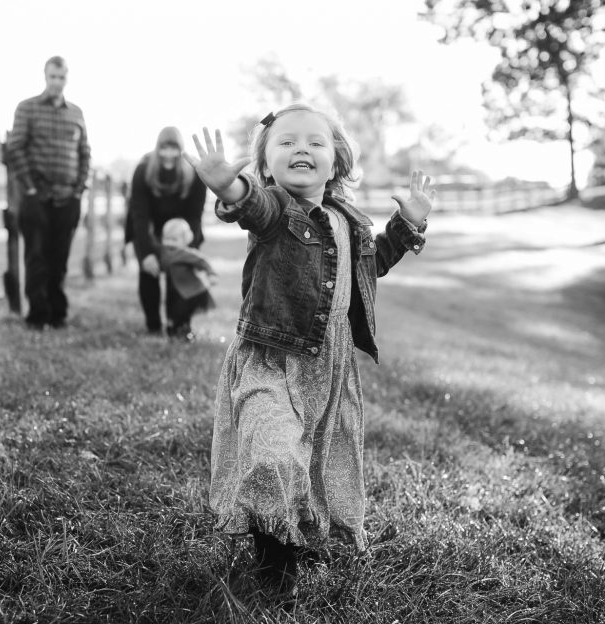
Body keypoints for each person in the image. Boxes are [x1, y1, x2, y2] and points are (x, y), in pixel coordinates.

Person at [183, 104, 435, 596]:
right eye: (286, 142)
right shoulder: (277, 211)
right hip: (273, 355)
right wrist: (225, 187)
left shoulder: (350, 221)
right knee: (273, 452)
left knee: (318, 458)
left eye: (315, 142)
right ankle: (274, 568)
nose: (301, 149)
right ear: (267, 163)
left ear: (338, 160)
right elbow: (249, 204)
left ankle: (299, 537)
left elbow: (372, 263)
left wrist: (408, 223)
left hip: (330, 363)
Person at [7, 55, 91, 329]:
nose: (57, 82)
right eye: (53, 77)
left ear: (67, 78)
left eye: (61, 77)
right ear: (45, 77)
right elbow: (16, 148)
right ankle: (37, 315)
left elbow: (84, 153)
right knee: (36, 257)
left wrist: (79, 190)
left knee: (60, 259)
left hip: (68, 197)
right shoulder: (27, 108)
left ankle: (58, 314)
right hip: (36, 197)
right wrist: (29, 188)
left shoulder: (76, 112)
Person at [127, 127, 208, 335]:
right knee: (149, 273)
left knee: (181, 275)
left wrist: (187, 244)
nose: (169, 155)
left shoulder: (194, 174)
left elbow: (195, 215)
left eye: (174, 149)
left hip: (183, 232)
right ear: (157, 148)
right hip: (149, 231)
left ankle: (179, 326)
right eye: (164, 148)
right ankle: (153, 326)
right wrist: (146, 253)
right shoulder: (143, 170)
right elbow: (140, 215)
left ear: (180, 150)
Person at [158, 218, 217, 341]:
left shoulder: (186, 254)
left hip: (191, 292)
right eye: (166, 238)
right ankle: (174, 333)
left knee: (182, 313)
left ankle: (184, 334)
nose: (169, 243)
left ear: (185, 240)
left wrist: (211, 274)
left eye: (174, 240)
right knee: (172, 312)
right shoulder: (164, 252)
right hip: (176, 290)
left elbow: (202, 261)